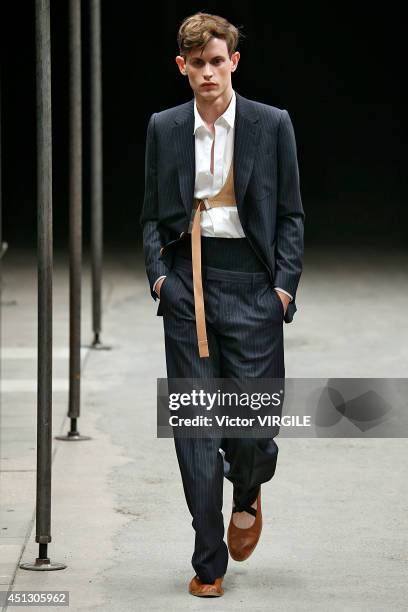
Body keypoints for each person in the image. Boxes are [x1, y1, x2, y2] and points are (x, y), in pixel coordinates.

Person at [140, 11, 304, 598]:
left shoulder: (270, 123)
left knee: (254, 430)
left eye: (217, 62)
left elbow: (290, 213)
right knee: (194, 431)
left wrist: (282, 290)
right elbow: (153, 216)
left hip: (254, 287)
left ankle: (249, 489)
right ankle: (208, 560)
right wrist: (162, 279)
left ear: (233, 62)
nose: (208, 73)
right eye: (197, 64)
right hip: (190, 288)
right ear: (181, 67)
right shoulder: (165, 127)